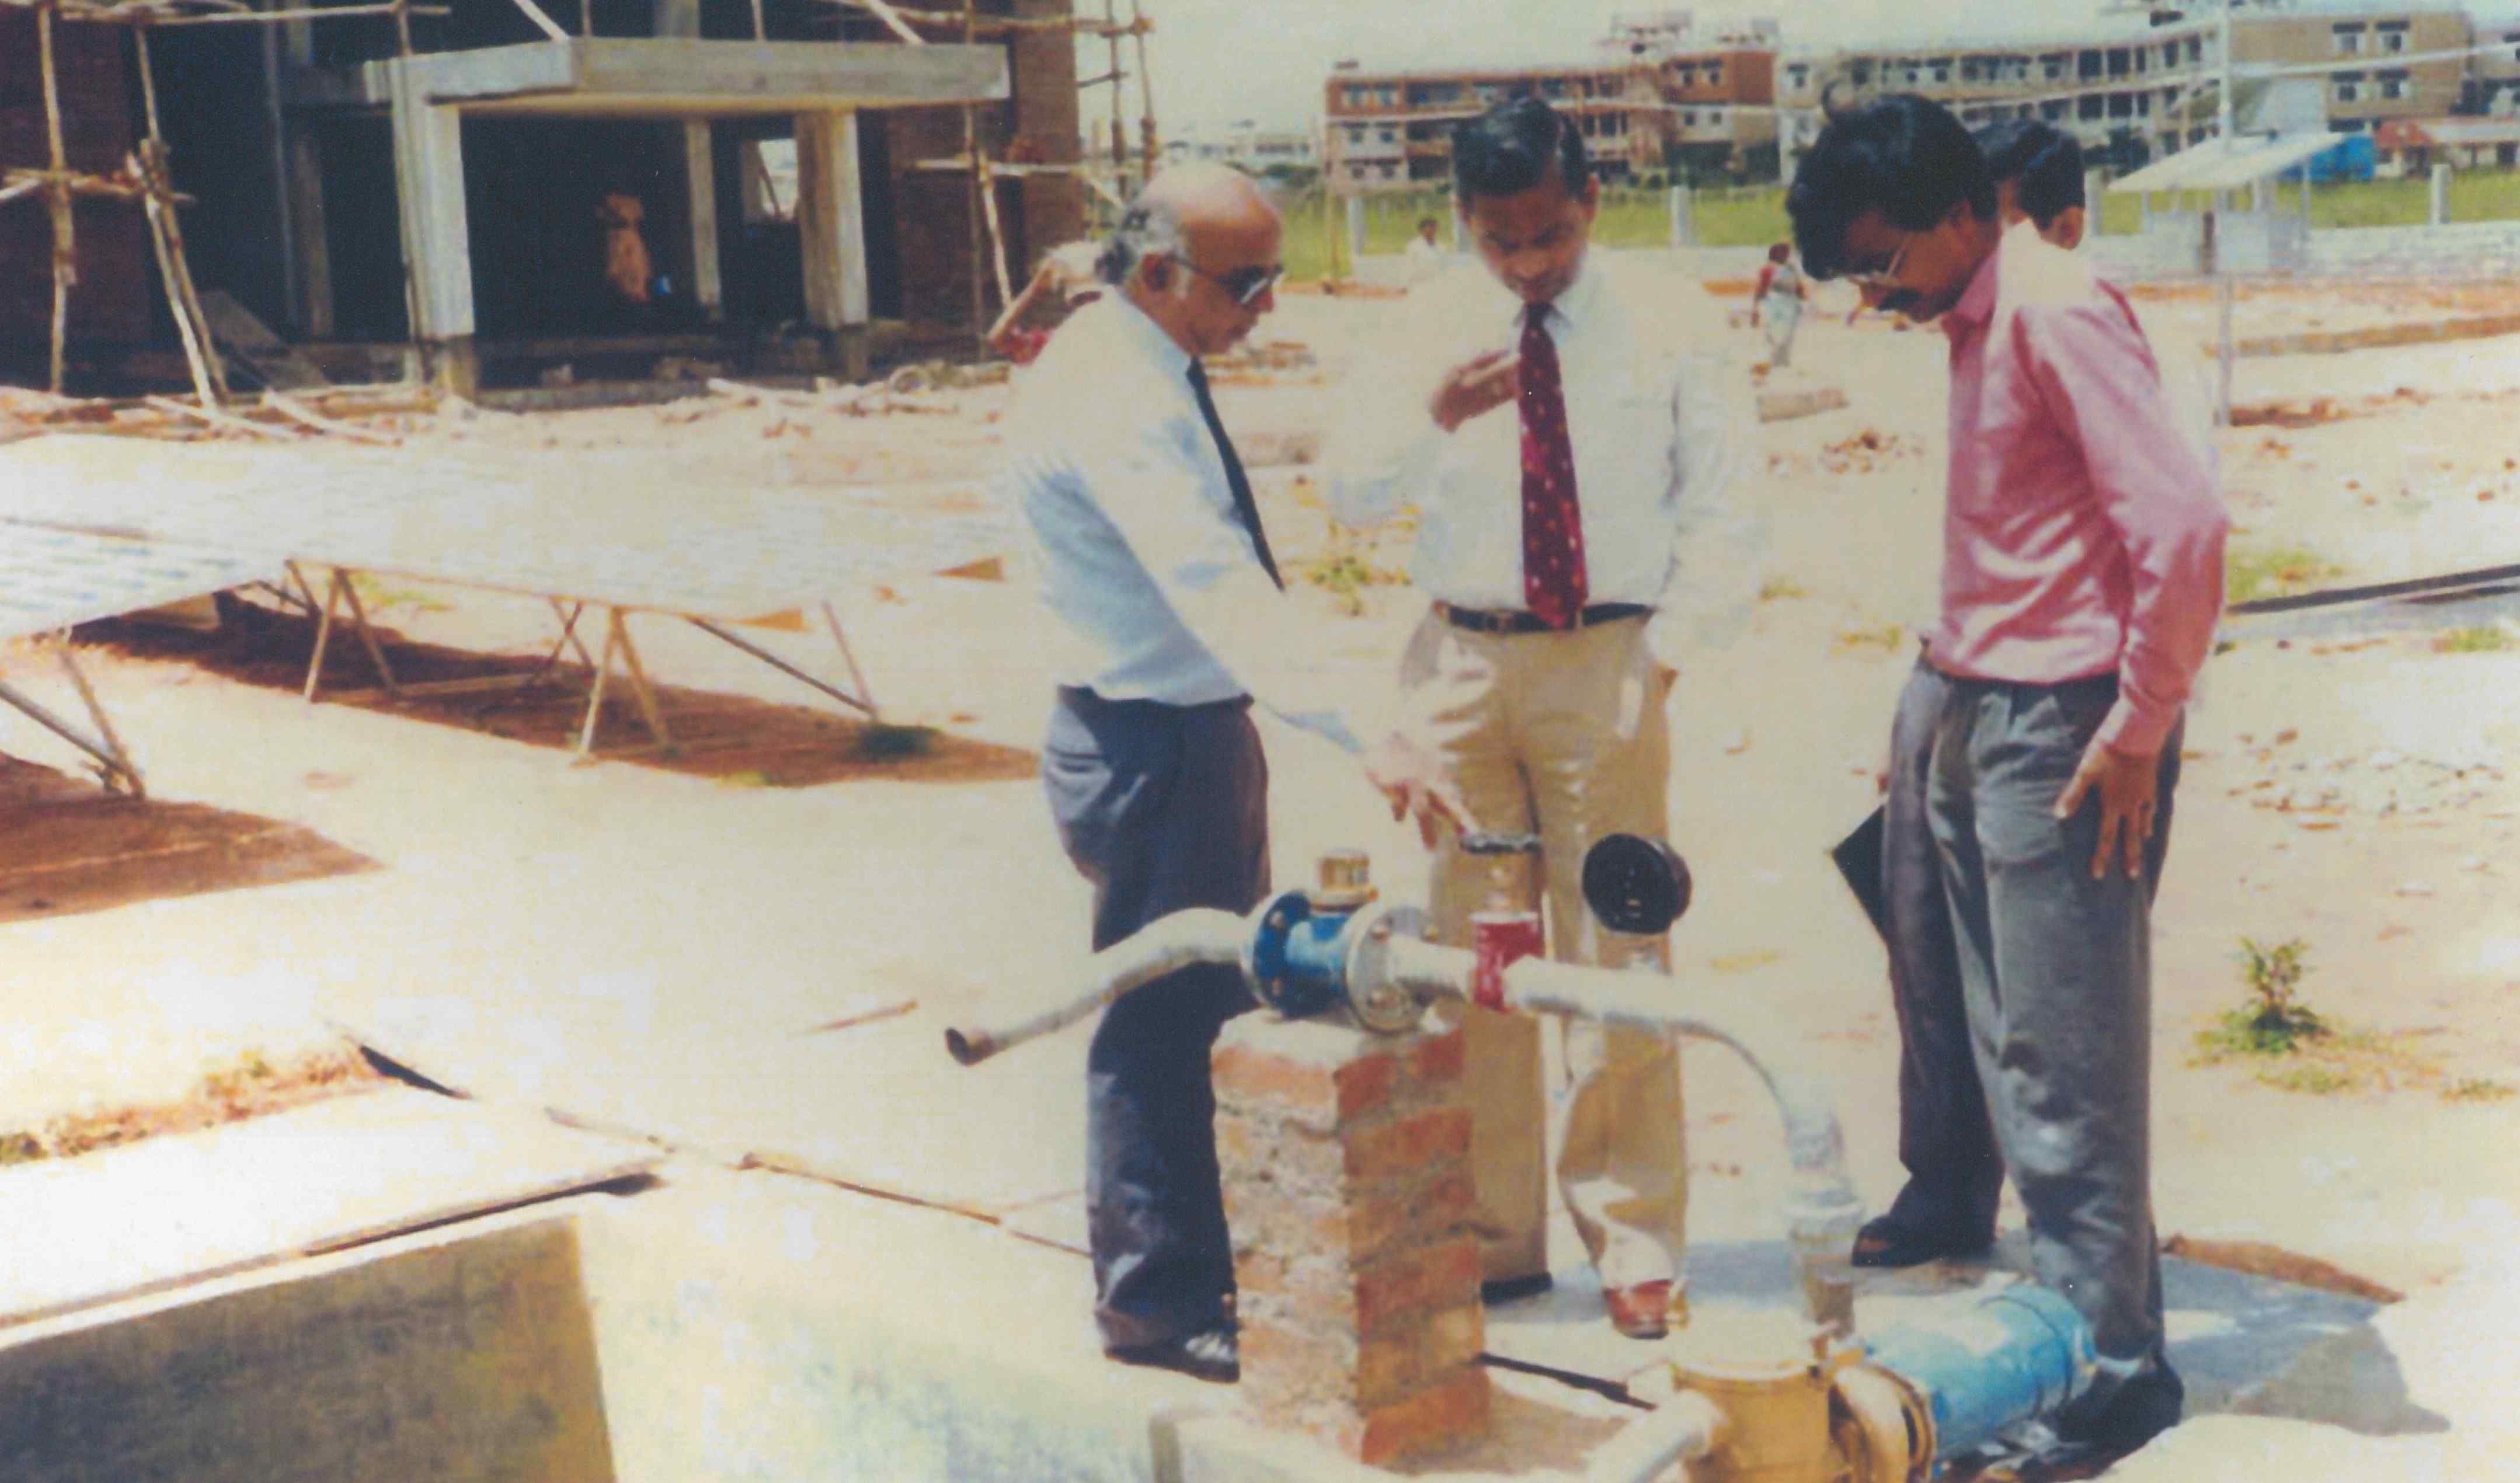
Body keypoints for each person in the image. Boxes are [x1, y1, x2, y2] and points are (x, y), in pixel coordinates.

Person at [1788, 95, 2226, 1460]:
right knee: (1962, 1015)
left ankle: (2110, 1357)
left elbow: (2183, 519)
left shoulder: (2051, 307)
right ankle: (1999, 1256)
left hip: (2060, 721)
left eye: (1880, 266)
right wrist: (1930, 699)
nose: (1875, 298)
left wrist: (2140, 721)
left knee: (2060, 1054)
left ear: (1961, 211)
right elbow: (2022, 521)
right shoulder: (1976, 311)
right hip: (1971, 690)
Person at [997, 163, 1458, 1385]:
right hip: (1149, 740)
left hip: (1185, 730)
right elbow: (1215, 588)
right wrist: (1370, 731)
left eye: (1274, 277)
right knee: (1160, 1019)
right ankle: (1154, 1299)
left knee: (1202, 1004)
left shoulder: (1140, 362)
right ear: (1157, 273)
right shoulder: (1114, 396)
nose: (1264, 306)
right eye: (1244, 282)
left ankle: (1192, 1266)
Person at [1328, 96, 1748, 1342]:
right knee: (1473, 954)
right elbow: (1346, 493)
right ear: (1460, 219)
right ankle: (1488, 1235)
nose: (1526, 264)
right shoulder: (1420, 326)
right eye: (1500, 240)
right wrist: (1432, 419)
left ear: (1592, 203)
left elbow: (1727, 510)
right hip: (1461, 667)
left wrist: (1656, 666)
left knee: (1621, 948)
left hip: (1609, 661)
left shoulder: (1669, 320)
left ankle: (1632, 1237)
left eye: (1551, 237)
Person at [987, 240, 1106, 366]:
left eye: (1093, 298)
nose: (1088, 305)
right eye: (1081, 299)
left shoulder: (1118, 335)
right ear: (1071, 303)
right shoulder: (1056, 344)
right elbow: (998, 338)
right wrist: (1035, 289)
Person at [1750, 241, 1807, 368]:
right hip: (1774, 303)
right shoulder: (1769, 269)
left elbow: (1799, 288)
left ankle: (1781, 363)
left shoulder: (1791, 268)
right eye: (1785, 252)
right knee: (1774, 333)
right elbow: (1761, 289)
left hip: (1790, 303)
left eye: (1788, 252)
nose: (1788, 255)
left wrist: (1803, 299)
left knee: (1787, 335)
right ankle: (1772, 361)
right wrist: (1755, 309)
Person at [1404, 215, 1448, 285]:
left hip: (1436, 284)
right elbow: (1408, 267)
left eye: (1434, 227)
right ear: (1422, 229)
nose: (1432, 230)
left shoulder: (1441, 248)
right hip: (1418, 284)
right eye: (1429, 227)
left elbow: (1443, 269)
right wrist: (1405, 284)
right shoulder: (1414, 246)